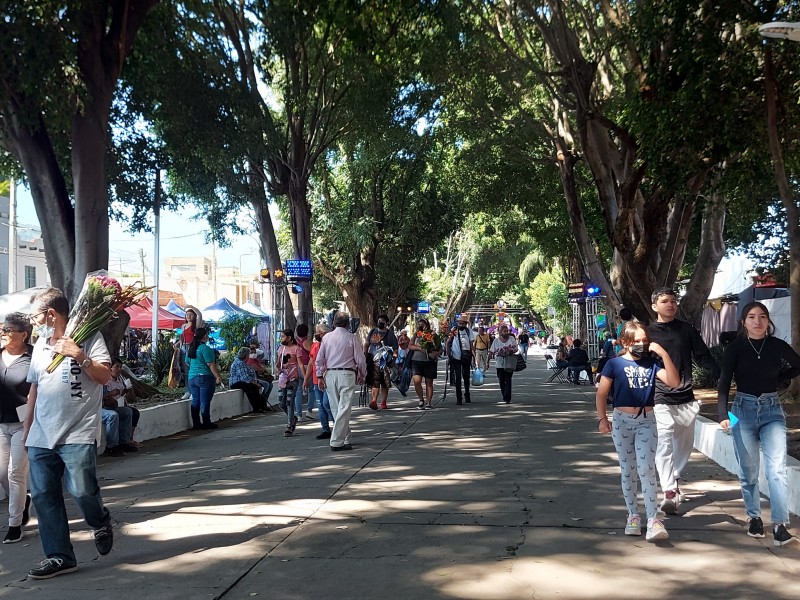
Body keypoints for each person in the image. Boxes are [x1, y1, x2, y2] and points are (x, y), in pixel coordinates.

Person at [23, 287, 114, 579]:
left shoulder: (88, 337)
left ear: (51, 314)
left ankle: (99, 520)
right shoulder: (39, 344)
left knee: (82, 491)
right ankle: (60, 556)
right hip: (41, 433)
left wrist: (79, 355)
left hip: (77, 431)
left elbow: (105, 377)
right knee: (43, 495)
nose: (33, 322)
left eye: (35, 316)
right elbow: (35, 387)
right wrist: (27, 430)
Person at [718, 302, 800, 546]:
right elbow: (724, 382)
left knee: (776, 470)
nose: (757, 321)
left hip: (772, 410)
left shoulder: (777, 346)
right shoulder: (735, 348)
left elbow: (797, 365)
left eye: (762, 316)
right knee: (748, 470)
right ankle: (754, 517)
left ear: (768, 321)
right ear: (744, 322)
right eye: (751, 317)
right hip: (740, 411)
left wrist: (779, 380)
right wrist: (723, 414)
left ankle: (780, 525)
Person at [596, 321, 679, 542]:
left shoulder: (652, 363)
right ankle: (633, 514)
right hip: (622, 421)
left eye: (645, 341)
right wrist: (603, 418)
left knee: (646, 469)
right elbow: (602, 394)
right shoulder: (614, 364)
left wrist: (662, 353)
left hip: (646, 421)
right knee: (628, 470)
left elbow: (674, 381)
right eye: (637, 341)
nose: (642, 345)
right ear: (625, 342)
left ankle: (653, 519)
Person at [647, 288, 719, 515]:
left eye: (673, 301)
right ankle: (669, 491)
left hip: (686, 397)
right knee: (665, 442)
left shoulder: (686, 330)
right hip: (660, 397)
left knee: (685, 445)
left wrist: (720, 374)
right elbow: (638, 361)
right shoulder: (647, 333)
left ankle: (673, 478)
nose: (670, 304)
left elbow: (703, 355)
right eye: (665, 301)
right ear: (654, 306)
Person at [0, 312, 33, 544]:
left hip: (24, 424)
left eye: (9, 329)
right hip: (0, 424)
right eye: (3, 328)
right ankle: (23, 503)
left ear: (23, 334)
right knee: (2, 473)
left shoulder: (34, 357)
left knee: (15, 473)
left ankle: (14, 523)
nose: (4, 332)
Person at [315, 312, 367, 451]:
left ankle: (345, 437)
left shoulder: (326, 338)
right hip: (347, 374)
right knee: (344, 408)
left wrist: (319, 375)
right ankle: (337, 441)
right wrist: (362, 374)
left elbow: (319, 359)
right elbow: (360, 360)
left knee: (336, 408)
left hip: (331, 374)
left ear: (334, 323)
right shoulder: (352, 337)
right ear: (348, 324)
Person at [185, 327, 222, 430]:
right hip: (205, 377)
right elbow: (210, 364)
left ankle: (196, 423)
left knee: (195, 401)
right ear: (205, 336)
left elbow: (187, 362)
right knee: (205, 401)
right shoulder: (205, 349)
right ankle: (206, 422)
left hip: (192, 378)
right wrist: (218, 376)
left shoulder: (191, 348)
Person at [101, 359, 138, 455]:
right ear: (110, 368)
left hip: (114, 405)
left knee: (128, 412)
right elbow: (98, 398)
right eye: (116, 367)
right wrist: (110, 394)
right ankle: (111, 446)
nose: (119, 369)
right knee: (112, 415)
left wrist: (126, 391)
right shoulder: (104, 380)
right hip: (101, 408)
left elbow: (121, 395)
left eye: (120, 367)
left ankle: (124, 442)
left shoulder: (120, 380)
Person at [305, 323, 334, 440]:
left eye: (319, 333)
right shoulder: (315, 346)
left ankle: (337, 424)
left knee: (327, 403)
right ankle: (325, 429)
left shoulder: (332, 345)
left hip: (329, 378)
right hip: (317, 379)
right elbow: (311, 363)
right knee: (321, 405)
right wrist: (306, 379)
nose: (317, 335)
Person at [364, 314, 399, 410]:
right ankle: (374, 400)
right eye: (379, 320)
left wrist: (394, 359)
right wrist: (365, 354)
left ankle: (383, 402)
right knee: (375, 381)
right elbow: (366, 344)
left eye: (383, 321)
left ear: (387, 323)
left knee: (384, 382)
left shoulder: (390, 335)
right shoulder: (373, 331)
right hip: (373, 360)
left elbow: (395, 348)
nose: (380, 322)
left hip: (385, 361)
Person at [277, 329, 305, 437]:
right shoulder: (280, 348)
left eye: (283, 336)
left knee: (289, 401)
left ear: (289, 338)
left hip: (293, 379)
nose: (281, 339)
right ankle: (293, 418)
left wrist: (305, 379)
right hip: (283, 379)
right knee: (281, 403)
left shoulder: (296, 349)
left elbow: (301, 364)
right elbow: (278, 363)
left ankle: (289, 426)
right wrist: (278, 368)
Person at [409, 318, 440, 410]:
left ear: (427, 325)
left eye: (422, 324)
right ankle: (421, 399)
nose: (420, 325)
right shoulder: (416, 334)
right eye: (419, 324)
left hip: (429, 361)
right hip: (416, 360)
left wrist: (435, 353)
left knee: (429, 382)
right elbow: (410, 345)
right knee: (417, 381)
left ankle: (428, 402)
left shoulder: (433, 334)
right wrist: (419, 348)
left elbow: (439, 348)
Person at [175, 307, 204, 400]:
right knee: (186, 371)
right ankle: (188, 390)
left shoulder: (196, 326)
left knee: (193, 370)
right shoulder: (183, 326)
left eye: (191, 314)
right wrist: (178, 344)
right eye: (187, 315)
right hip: (184, 348)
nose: (188, 316)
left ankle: (194, 391)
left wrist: (191, 306)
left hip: (192, 348)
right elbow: (182, 337)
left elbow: (200, 314)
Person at [229, 348, 269, 413]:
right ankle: (256, 408)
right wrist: (256, 383)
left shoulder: (244, 363)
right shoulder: (239, 363)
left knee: (254, 387)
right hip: (236, 382)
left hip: (243, 381)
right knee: (250, 387)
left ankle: (262, 406)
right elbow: (245, 378)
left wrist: (255, 382)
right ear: (246, 356)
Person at [447, 315, 476, 405]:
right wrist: (449, 354)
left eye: (463, 323)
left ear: (466, 324)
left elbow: (471, 345)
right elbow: (448, 342)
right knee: (458, 378)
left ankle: (467, 395)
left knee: (466, 377)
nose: (461, 324)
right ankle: (459, 398)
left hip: (466, 357)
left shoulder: (469, 331)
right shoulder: (454, 330)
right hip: (456, 357)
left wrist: (475, 358)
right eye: (460, 323)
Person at [489, 325, 518, 404]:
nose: (506, 332)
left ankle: (507, 397)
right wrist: (487, 362)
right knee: (501, 380)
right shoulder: (496, 341)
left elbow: (516, 348)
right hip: (499, 364)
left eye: (507, 331)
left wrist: (511, 351)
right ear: (500, 332)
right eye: (504, 331)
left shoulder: (511, 339)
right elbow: (491, 351)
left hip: (509, 363)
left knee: (508, 379)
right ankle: (504, 394)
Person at [295, 324, 313, 420]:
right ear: (307, 332)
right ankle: (309, 411)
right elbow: (313, 354)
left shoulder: (295, 343)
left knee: (298, 391)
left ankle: (298, 414)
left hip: (298, 366)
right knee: (311, 389)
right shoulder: (308, 342)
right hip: (307, 366)